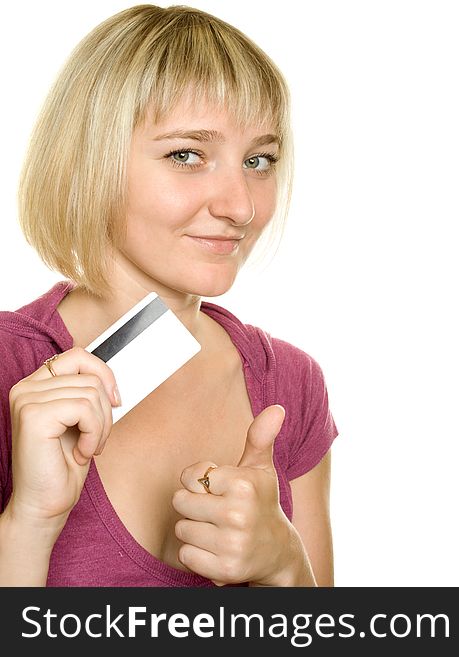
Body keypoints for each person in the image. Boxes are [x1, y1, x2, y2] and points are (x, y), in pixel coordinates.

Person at [0, 4, 338, 587]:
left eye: (259, 161)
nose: (241, 206)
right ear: (91, 162)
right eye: (187, 155)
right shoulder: (8, 367)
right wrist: (29, 523)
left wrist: (285, 569)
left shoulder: (289, 383)